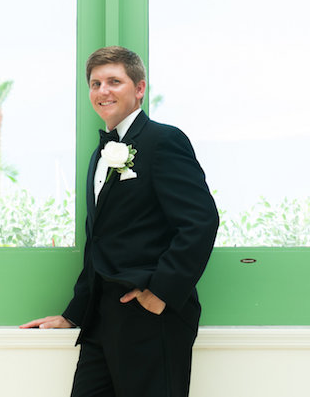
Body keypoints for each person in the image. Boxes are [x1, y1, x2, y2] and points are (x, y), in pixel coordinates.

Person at [21, 46, 219, 397]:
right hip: (101, 319)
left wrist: (160, 293)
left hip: (151, 317)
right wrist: (75, 313)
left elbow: (200, 222)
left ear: (139, 88)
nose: (103, 91)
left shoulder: (164, 140)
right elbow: (99, 241)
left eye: (114, 81)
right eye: (95, 83)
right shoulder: (101, 154)